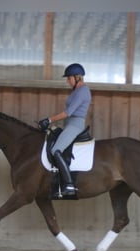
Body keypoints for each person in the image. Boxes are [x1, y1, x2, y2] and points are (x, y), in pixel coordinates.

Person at [38, 63, 92, 197]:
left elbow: (68, 112)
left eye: (69, 78)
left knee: (56, 150)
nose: (68, 81)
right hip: (68, 125)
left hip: (75, 125)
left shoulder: (83, 91)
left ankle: (69, 185)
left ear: (78, 77)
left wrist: (49, 120)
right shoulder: (76, 91)